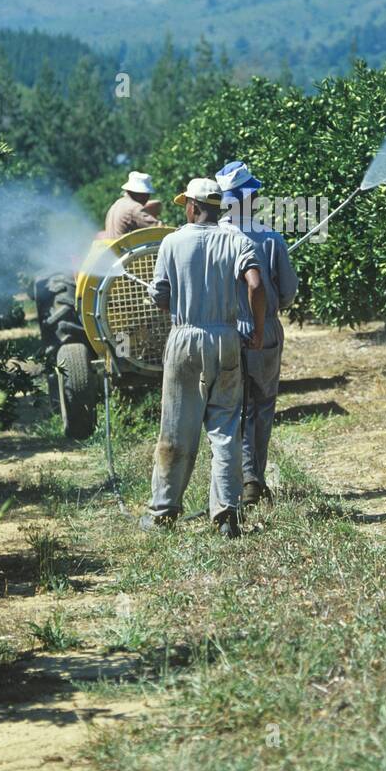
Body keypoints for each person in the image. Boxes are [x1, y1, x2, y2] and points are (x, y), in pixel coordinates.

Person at [142, 177, 266, 539]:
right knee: (226, 428)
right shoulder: (237, 239)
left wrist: (179, 299)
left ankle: (164, 511)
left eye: (185, 203)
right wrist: (256, 331)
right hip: (226, 337)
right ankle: (227, 513)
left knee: (177, 428)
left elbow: (161, 297)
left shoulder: (172, 241)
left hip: (184, 337)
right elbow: (255, 286)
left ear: (193, 206)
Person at [216, 160, 298, 507]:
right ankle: (252, 478)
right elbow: (288, 290)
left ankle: (229, 484)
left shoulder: (213, 237)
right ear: (251, 198)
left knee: (227, 409)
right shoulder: (269, 237)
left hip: (220, 333)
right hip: (261, 332)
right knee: (261, 406)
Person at [104, 170, 162, 238]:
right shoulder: (134, 207)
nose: (147, 197)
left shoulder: (116, 205)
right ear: (140, 194)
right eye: (146, 194)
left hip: (114, 247)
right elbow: (158, 229)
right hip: (126, 247)